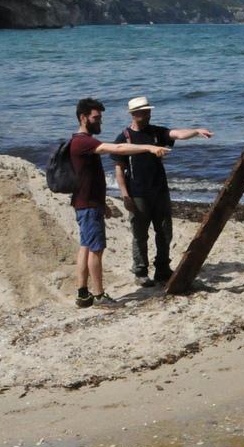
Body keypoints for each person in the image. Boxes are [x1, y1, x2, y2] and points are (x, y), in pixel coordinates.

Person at [68, 97, 171, 308]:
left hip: (88, 203)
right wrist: (149, 148)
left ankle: (83, 294)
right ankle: (98, 295)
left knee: (86, 247)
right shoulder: (84, 142)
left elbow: (88, 178)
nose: (100, 122)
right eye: (96, 118)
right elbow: (119, 149)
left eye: (100, 117)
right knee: (96, 249)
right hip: (88, 206)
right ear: (83, 117)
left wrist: (101, 202)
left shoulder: (81, 141)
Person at [112, 95, 214, 287]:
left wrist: (196, 131)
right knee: (140, 234)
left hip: (160, 190)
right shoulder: (123, 138)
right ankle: (141, 271)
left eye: (149, 111)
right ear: (134, 114)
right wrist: (125, 195)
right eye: (144, 112)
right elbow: (118, 169)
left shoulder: (156, 133)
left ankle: (162, 269)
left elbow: (176, 134)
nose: (148, 114)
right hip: (137, 193)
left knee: (165, 232)